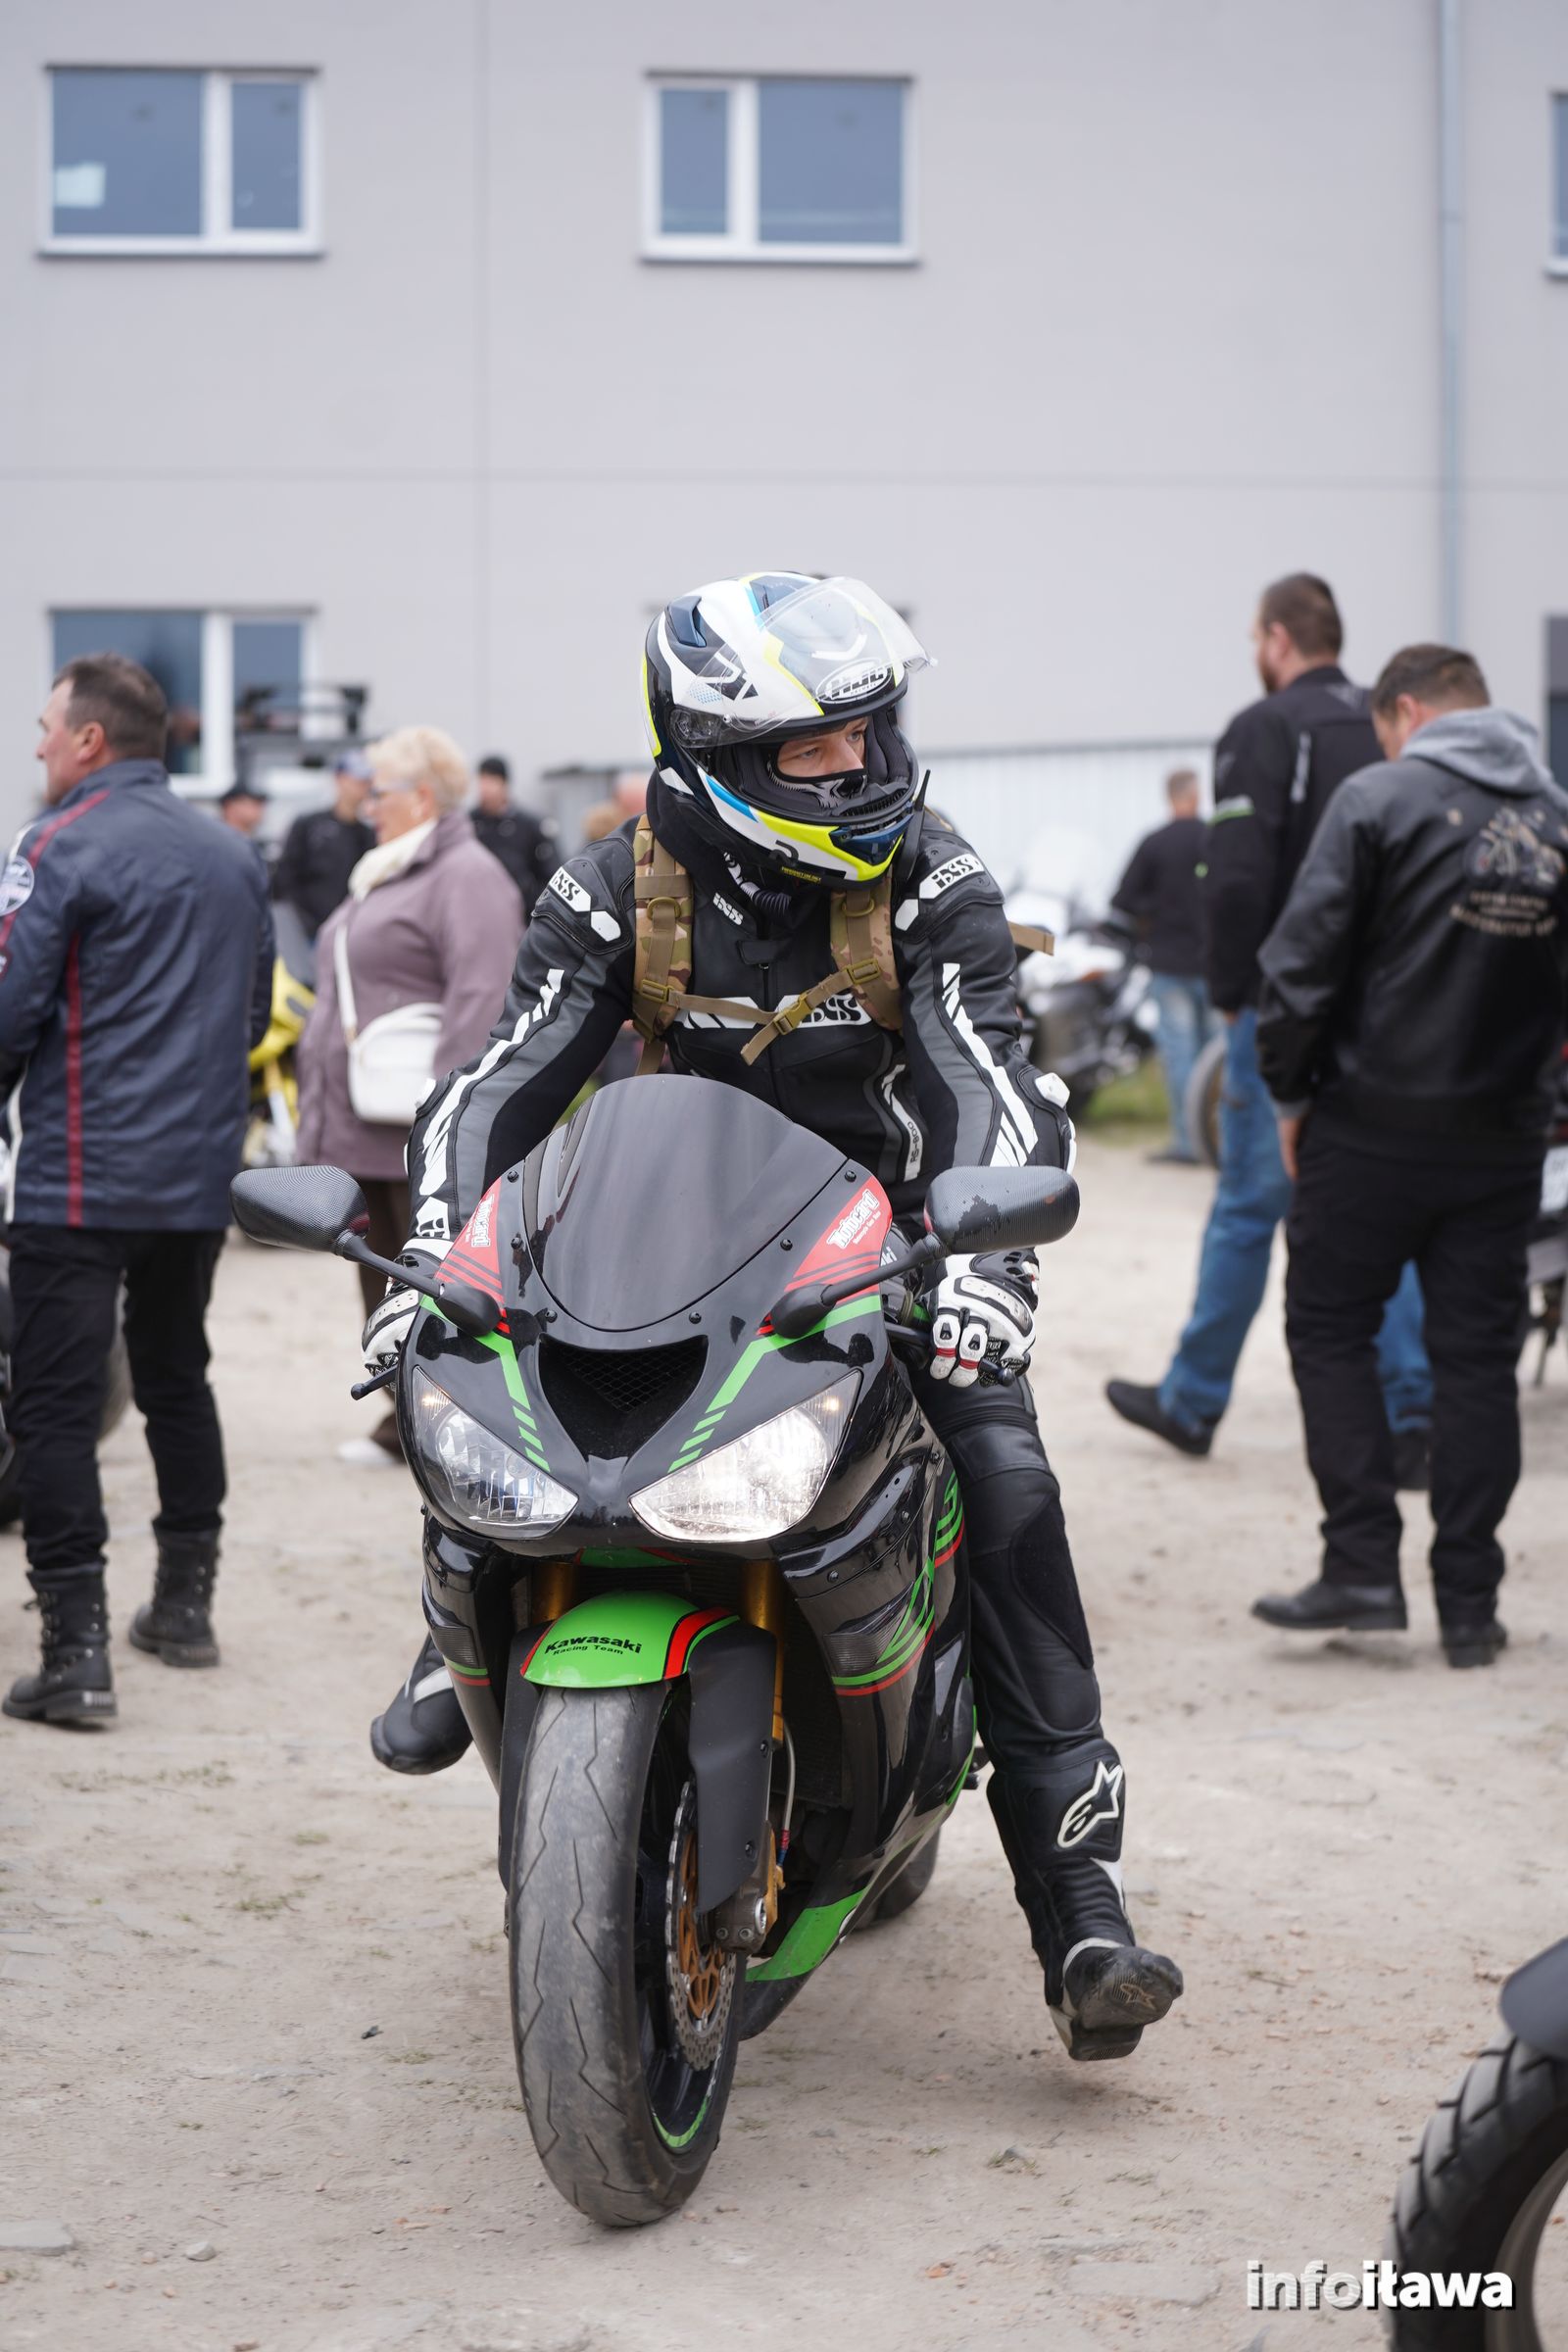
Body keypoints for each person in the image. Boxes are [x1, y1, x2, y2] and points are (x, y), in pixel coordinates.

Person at [362, 573, 1183, 2063]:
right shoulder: (613, 886)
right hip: (656, 1240)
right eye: (817, 748)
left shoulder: (928, 876)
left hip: (885, 1256)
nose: (858, 766)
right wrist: (434, 1255)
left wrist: (988, 1269)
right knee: (480, 1407)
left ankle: (1077, 1902)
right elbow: (494, 1087)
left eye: (868, 733)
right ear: (721, 753)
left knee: (1006, 1481)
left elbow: (989, 1078)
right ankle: (457, 1633)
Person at [1251, 646, 1568, 1664]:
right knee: (1477, 1359)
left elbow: (1300, 966)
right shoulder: (1556, 819)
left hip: (1370, 1127)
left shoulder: (1378, 799)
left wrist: (1289, 1093)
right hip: (1505, 1141)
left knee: (1329, 1327)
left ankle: (1360, 1567)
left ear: (1405, 712)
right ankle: (1470, 1606)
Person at [1105, 574, 1432, 1472]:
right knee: (1385, 1201)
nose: (1256, 651)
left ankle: (1192, 1400)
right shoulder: (1384, 723)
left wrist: (1231, 990)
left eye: (1256, 637)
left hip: (1287, 1006)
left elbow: (1239, 876)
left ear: (1280, 638)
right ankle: (1413, 1415)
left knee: (1249, 1203)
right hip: (1389, 1007)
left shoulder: (1264, 728)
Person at [1, 655, 274, 1727]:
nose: (35, 745)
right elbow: (252, 1015)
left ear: (89, 740)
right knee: (175, 1378)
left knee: (53, 1410)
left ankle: (74, 1652)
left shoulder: (54, 842)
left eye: (44, 727)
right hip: (194, 1178)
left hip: (77, 1179)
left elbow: (10, 1011)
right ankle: (184, 1608)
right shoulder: (233, 854)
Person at [294, 725, 522, 1465]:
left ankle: (435, 1429)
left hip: (411, 1129)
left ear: (422, 796)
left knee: (424, 1283)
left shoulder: (465, 875)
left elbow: (480, 999)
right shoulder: (394, 869)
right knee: (386, 1280)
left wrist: (442, 1121)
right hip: (370, 1126)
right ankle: (404, 1420)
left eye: (380, 792)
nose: (367, 806)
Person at [1110, 766, 1216, 1162]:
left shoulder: (1154, 844)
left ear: (1169, 797)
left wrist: (1153, 913)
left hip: (1169, 964)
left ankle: (1189, 1145)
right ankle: (1219, 1143)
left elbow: (1122, 900)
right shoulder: (1215, 838)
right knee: (1217, 1059)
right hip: (1214, 965)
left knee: (1181, 1056)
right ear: (1196, 795)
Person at [271, 752, 374, 941]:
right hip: (308, 931)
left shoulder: (369, 834)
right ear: (339, 779)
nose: (362, 788)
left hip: (350, 930)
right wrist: (301, 923)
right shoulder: (309, 826)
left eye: (366, 782)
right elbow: (285, 878)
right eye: (357, 781)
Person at [470, 754, 556, 917]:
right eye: (482, 781)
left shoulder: (529, 825)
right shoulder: (469, 823)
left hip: (522, 915)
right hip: (480, 912)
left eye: (491, 781)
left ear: (504, 783)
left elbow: (549, 874)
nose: (485, 788)